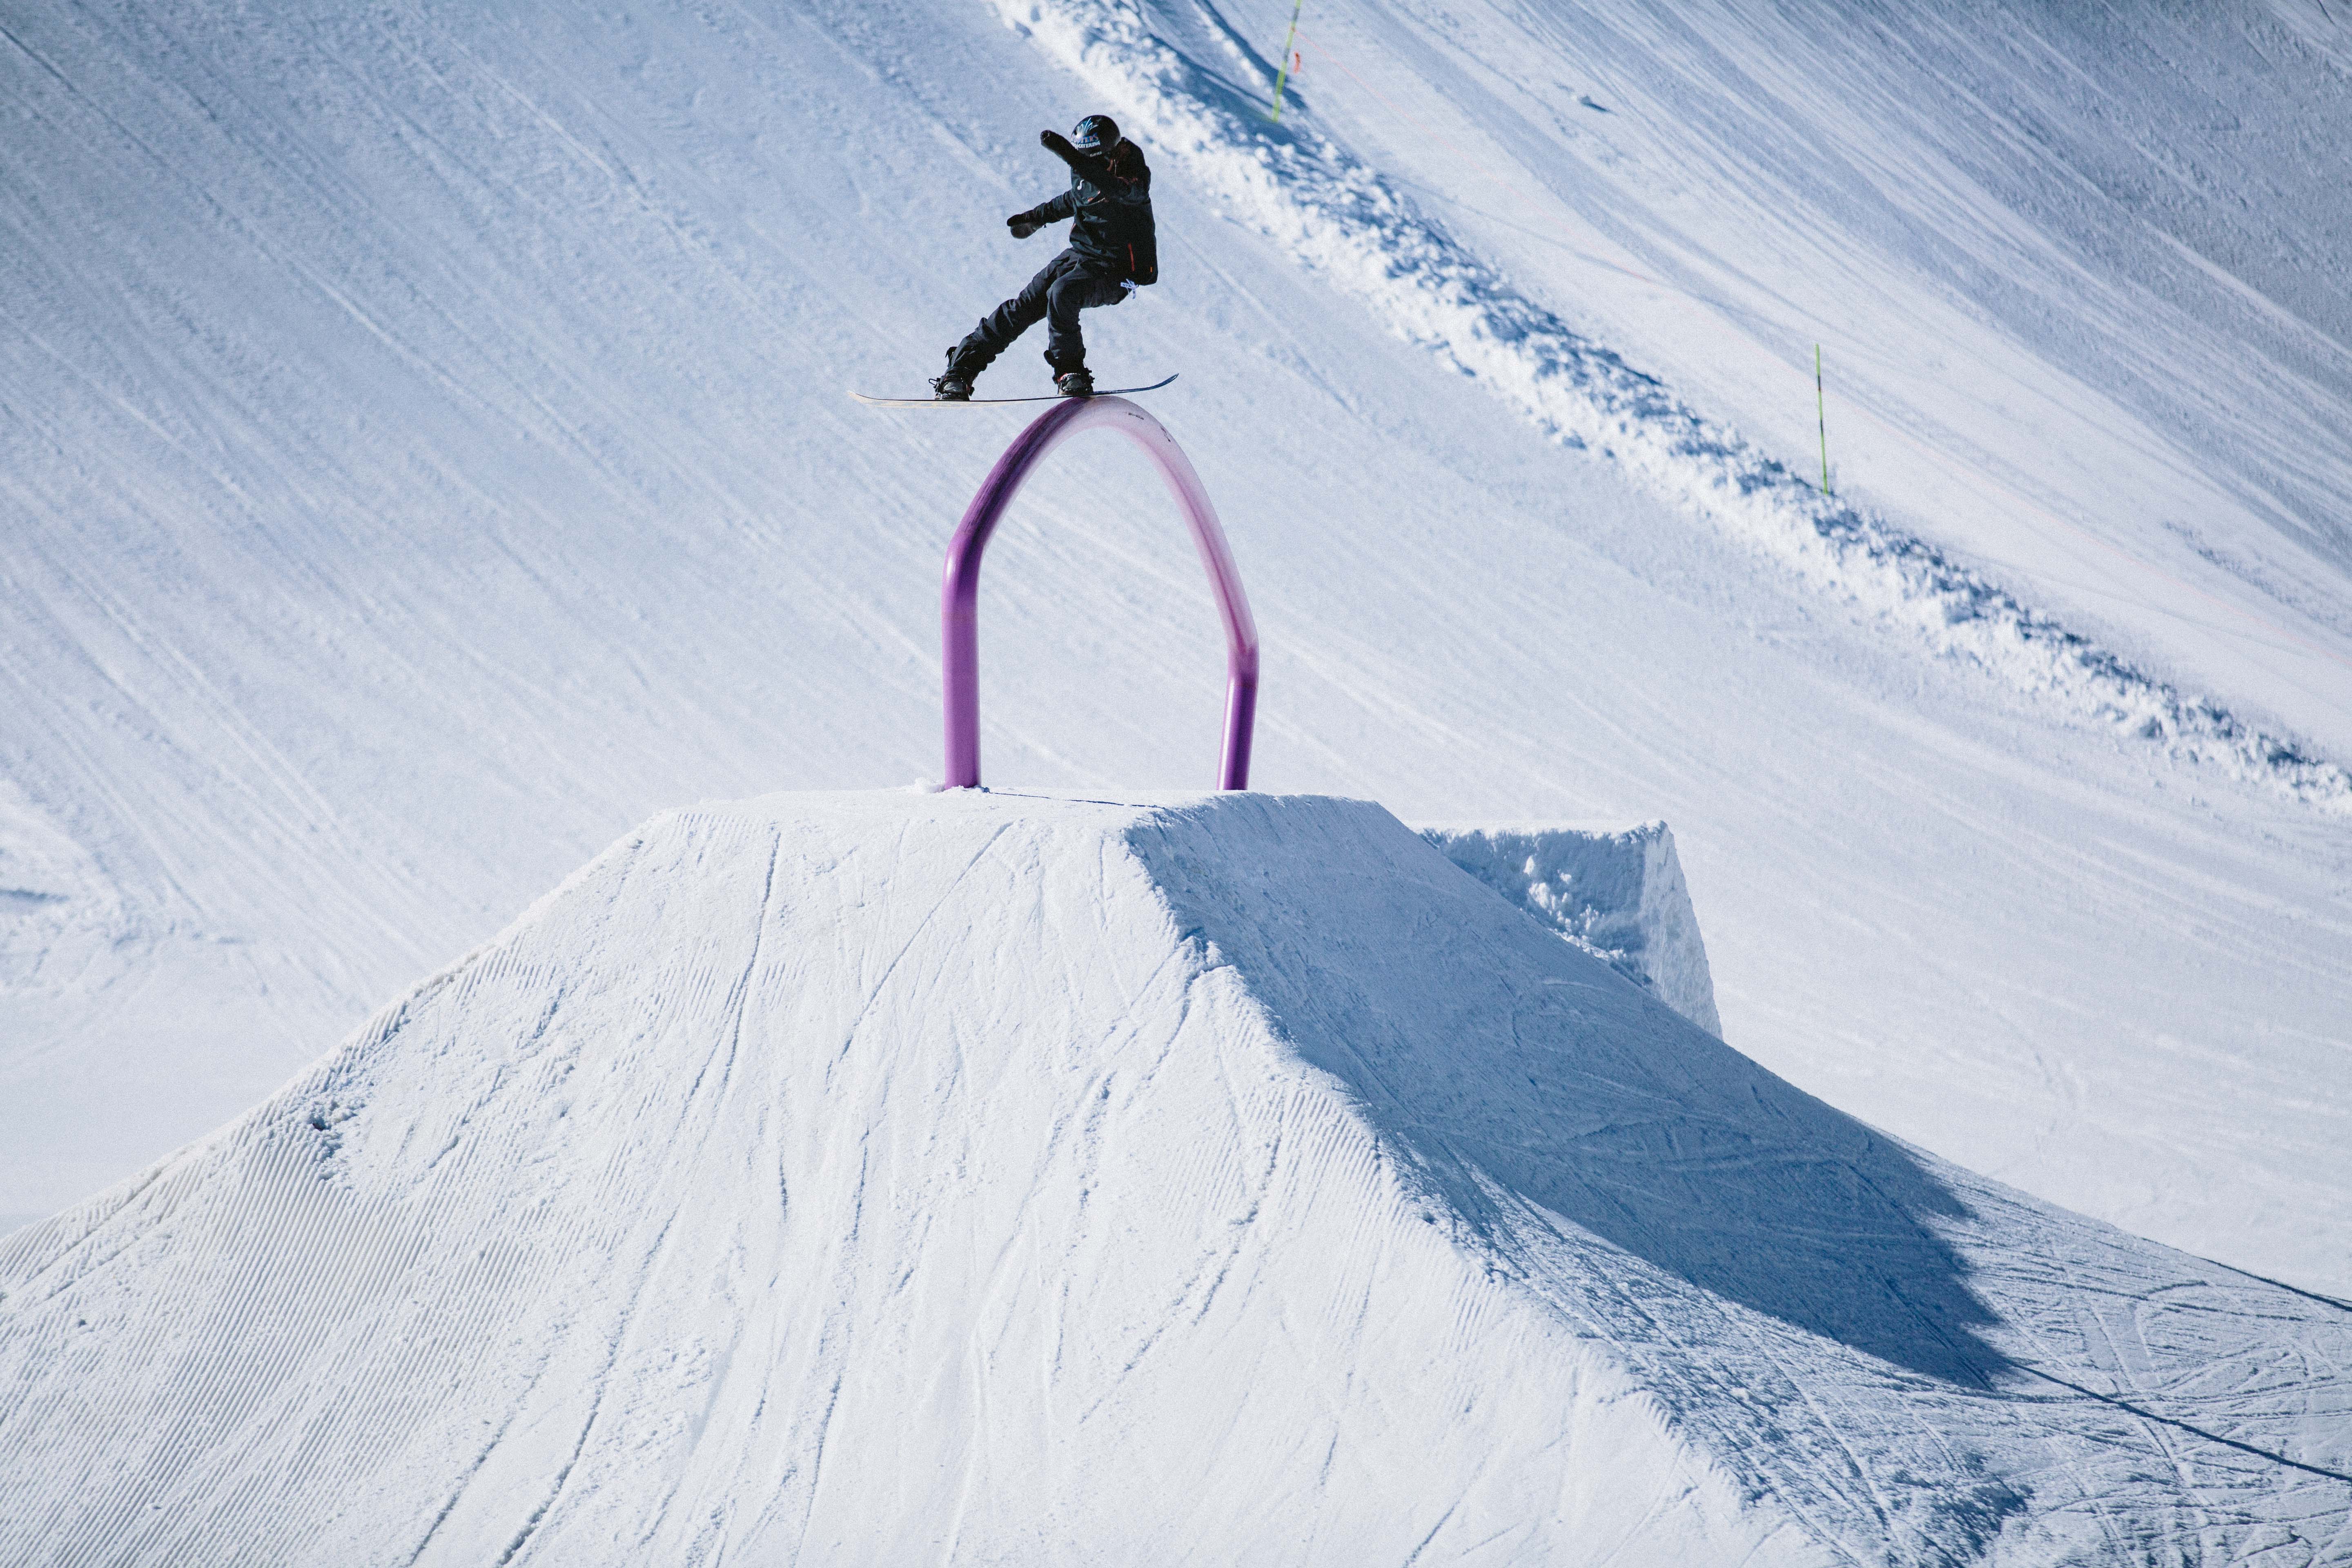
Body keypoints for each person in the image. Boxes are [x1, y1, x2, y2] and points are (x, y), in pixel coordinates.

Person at [935, 114, 1157, 400]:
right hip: (1081, 257)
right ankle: (960, 372)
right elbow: (1074, 198)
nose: (1088, 165)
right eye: (1083, 157)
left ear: (1111, 153)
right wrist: (1035, 218)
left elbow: (1113, 188)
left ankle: (1070, 372)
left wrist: (1070, 156)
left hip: (1116, 272)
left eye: (1095, 159)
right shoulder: (1087, 171)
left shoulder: (1132, 178)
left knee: (1063, 293)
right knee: (1023, 306)